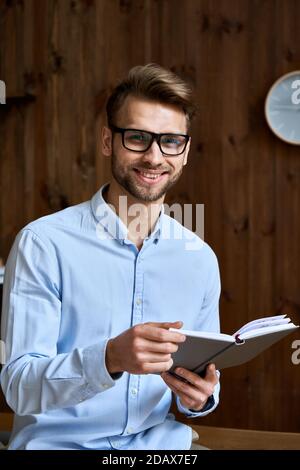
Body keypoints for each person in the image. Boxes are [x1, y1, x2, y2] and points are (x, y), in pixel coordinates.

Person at [0, 64, 221, 450]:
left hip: (160, 449)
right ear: (108, 141)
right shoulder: (43, 244)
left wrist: (201, 398)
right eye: (137, 138)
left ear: (184, 152)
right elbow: (19, 387)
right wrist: (108, 359)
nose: (154, 156)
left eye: (170, 141)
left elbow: (201, 377)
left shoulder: (199, 258)